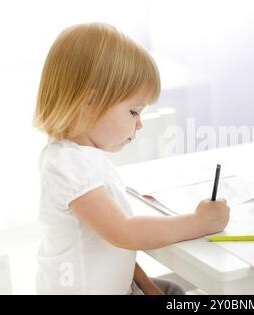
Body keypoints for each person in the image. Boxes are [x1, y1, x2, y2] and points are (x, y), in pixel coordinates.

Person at [33, 23, 230, 295]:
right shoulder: (69, 165)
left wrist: (147, 286)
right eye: (134, 112)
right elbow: (125, 232)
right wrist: (200, 222)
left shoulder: (81, 160)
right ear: (90, 101)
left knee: (172, 291)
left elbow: (115, 248)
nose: (139, 125)